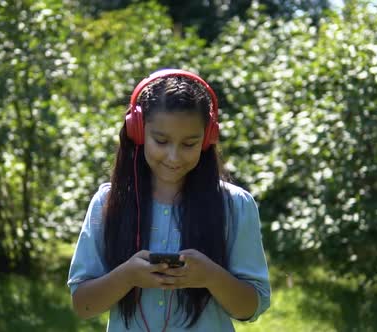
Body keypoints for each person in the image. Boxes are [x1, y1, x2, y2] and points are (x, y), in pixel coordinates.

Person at [67, 69, 271, 331]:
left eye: (189, 144)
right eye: (161, 141)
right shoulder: (108, 202)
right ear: (138, 132)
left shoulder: (235, 206)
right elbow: (83, 305)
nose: (174, 157)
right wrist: (127, 275)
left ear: (207, 139)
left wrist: (210, 276)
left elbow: (250, 308)